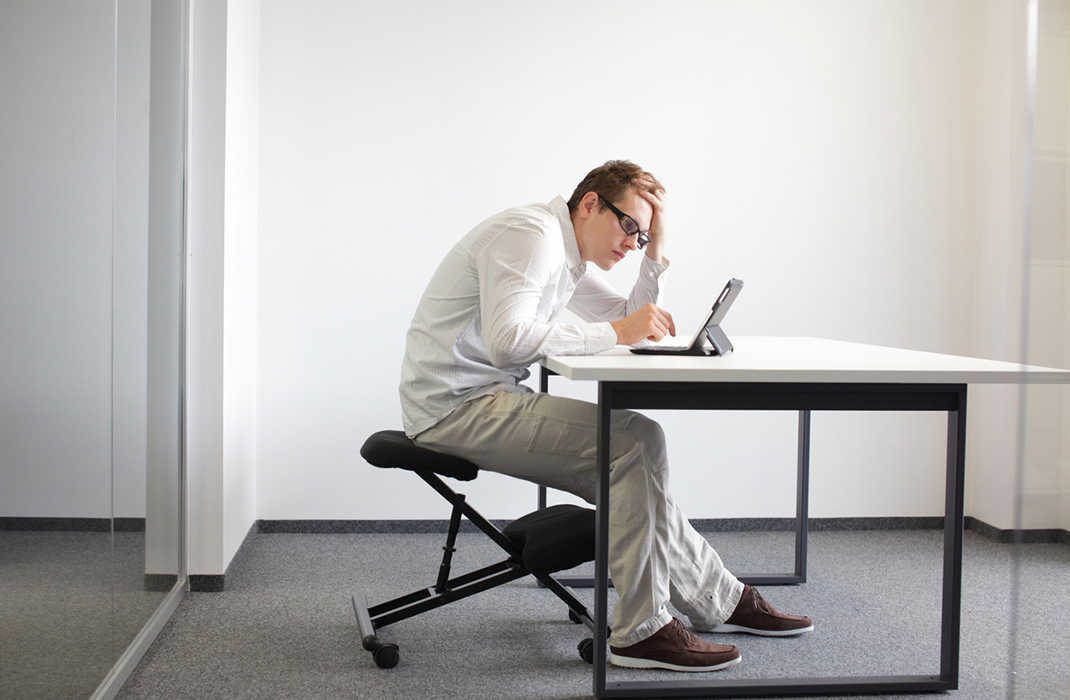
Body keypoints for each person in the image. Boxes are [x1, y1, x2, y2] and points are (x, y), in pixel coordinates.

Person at [399, 160, 812, 672]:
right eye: (630, 227)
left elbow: (628, 319)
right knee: (635, 441)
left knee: (634, 460)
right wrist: (620, 332)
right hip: (455, 408)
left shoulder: (565, 254)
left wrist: (655, 256)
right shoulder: (531, 237)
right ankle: (644, 630)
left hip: (482, 397)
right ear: (590, 203)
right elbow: (510, 344)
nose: (631, 241)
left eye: (641, 235)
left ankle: (715, 597)